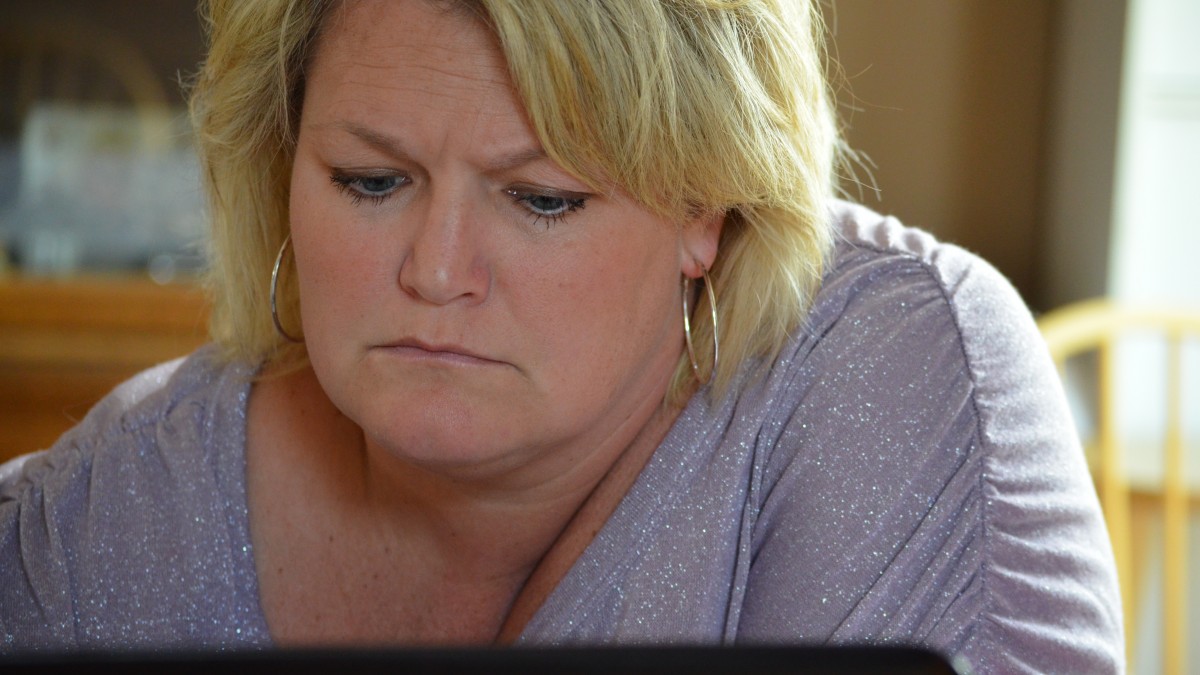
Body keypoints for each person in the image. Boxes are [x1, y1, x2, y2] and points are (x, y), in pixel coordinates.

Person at [0, 0, 1121, 671]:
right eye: (369, 179)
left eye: (541, 199)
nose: (434, 272)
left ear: (706, 208)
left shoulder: (896, 367)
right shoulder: (122, 506)